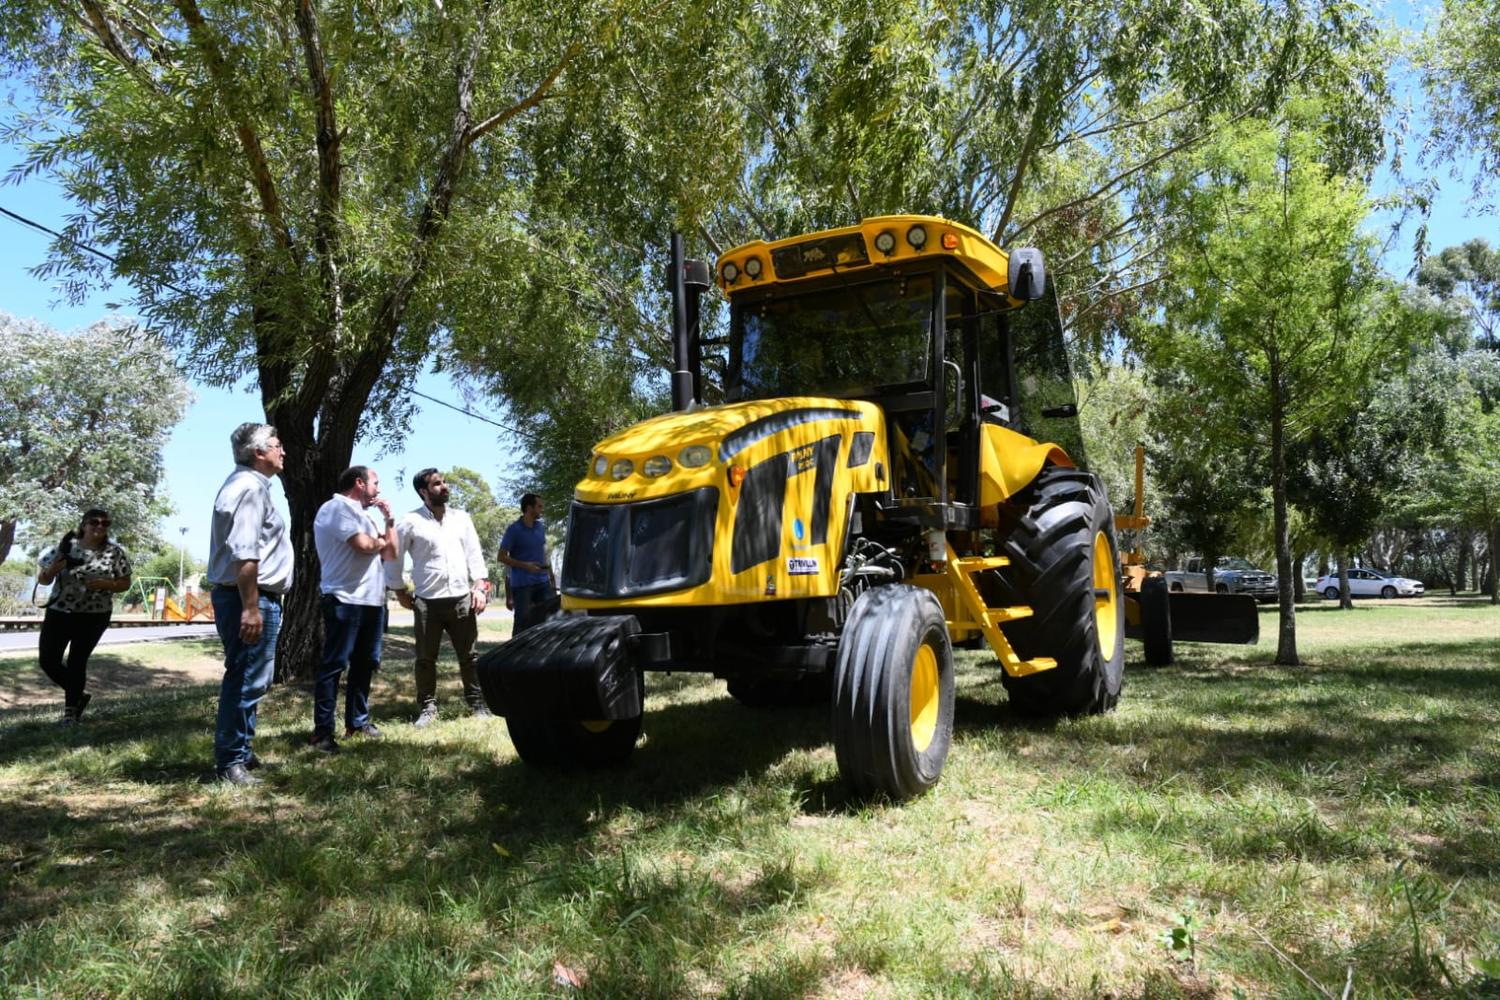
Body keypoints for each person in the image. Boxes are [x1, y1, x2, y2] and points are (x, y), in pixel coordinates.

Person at [207, 422, 293, 785]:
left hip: (247, 596)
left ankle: (241, 752)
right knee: (244, 679)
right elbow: (245, 552)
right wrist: (251, 608)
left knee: (253, 678)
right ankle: (230, 763)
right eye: (276, 445)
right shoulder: (249, 488)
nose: (282, 451)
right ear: (259, 453)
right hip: (247, 597)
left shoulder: (248, 484)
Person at [386, 469, 493, 726]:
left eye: (444, 482)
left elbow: (475, 556)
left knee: (469, 657)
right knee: (425, 659)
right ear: (424, 491)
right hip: (426, 602)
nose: (444, 487)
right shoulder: (409, 521)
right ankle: (427, 708)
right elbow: (394, 557)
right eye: (437, 484)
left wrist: (480, 588)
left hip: (461, 599)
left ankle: (477, 704)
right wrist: (399, 590)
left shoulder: (461, 519)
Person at [310, 465, 397, 753]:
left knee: (365, 664)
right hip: (344, 599)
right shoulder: (336, 508)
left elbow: (390, 553)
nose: (379, 489)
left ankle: (357, 723)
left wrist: (389, 521)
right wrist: (380, 542)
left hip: (372, 602)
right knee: (334, 665)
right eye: (376, 482)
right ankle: (322, 732)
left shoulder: (367, 517)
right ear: (359, 483)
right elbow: (363, 545)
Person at [35, 509, 132, 725]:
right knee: (48, 660)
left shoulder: (114, 553)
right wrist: (53, 569)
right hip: (60, 612)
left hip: (94, 616)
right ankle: (78, 695)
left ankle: (71, 713)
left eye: (105, 523)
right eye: (94, 522)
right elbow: (43, 580)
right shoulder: (63, 548)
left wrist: (107, 584)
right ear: (84, 525)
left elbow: (125, 582)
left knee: (77, 660)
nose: (100, 526)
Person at [498, 492, 557, 634]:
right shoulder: (514, 530)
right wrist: (526, 566)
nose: (542, 509)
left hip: (543, 583)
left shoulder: (540, 528)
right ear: (529, 508)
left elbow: (543, 554)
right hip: (523, 586)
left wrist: (551, 577)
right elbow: (501, 557)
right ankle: (515, 654)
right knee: (522, 624)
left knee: (549, 622)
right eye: (539, 506)